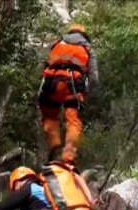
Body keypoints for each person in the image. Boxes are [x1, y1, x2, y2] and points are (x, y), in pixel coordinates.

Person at [38, 23, 99, 165]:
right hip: (72, 85)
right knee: (73, 120)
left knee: (49, 117)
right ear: (84, 35)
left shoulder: (57, 43)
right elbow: (94, 77)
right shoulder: (87, 47)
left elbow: (44, 64)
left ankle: (55, 149)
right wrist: (89, 94)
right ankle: (69, 157)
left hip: (51, 83)